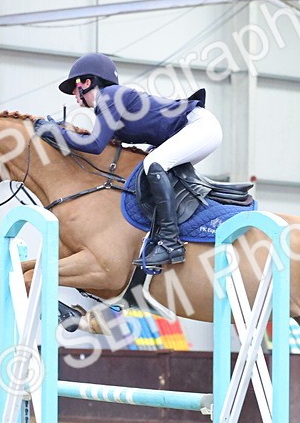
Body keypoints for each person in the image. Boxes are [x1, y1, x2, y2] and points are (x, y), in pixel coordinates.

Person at [36, 53, 222, 270]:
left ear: (86, 83)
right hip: (192, 130)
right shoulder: (112, 104)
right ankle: (164, 234)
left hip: (200, 127)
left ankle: (171, 242)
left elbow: (95, 145)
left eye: (75, 91)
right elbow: (101, 145)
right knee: (151, 165)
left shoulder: (108, 96)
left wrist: (54, 134)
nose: (76, 99)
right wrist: (61, 132)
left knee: (154, 163)